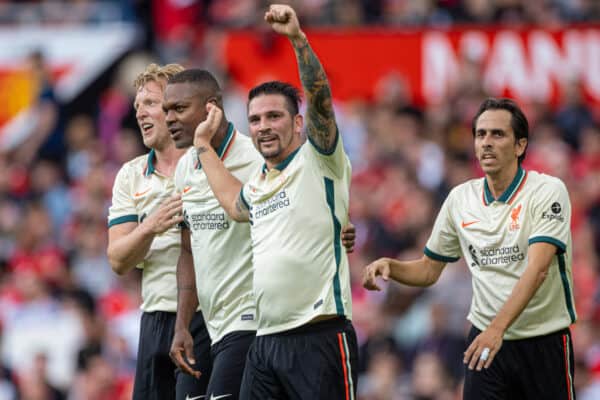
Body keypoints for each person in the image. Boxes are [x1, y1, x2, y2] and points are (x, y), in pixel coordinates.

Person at [191, 4, 358, 399]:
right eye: (255, 119)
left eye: (274, 117)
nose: (263, 126)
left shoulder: (319, 159)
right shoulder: (260, 182)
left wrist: (298, 41)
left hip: (319, 334)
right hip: (266, 341)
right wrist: (202, 146)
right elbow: (234, 203)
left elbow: (320, 101)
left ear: (298, 123)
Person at [363, 97, 576, 400]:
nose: (486, 142)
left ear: (520, 145)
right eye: (480, 134)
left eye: (498, 134)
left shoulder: (547, 191)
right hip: (485, 341)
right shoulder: (460, 198)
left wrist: (497, 329)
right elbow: (428, 269)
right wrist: (392, 266)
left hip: (542, 339)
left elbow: (538, 269)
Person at [106, 63, 211, 400]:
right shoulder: (131, 174)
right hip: (154, 318)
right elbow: (118, 259)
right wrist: (150, 226)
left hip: (207, 314)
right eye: (137, 106)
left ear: (175, 108)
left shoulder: (208, 162)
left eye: (149, 103)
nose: (140, 113)